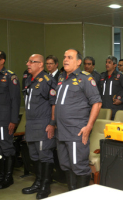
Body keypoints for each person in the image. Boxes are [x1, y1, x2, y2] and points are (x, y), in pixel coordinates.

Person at [55, 49, 102, 190]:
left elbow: (97, 103)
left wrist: (88, 126)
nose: (65, 60)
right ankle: (72, 193)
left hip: (76, 131)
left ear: (79, 62)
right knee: (65, 165)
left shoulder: (85, 78)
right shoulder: (62, 77)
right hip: (61, 131)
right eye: (64, 57)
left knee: (79, 166)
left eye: (70, 57)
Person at [22, 54, 57, 199]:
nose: (28, 64)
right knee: (34, 155)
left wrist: (52, 124)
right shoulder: (29, 80)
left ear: (41, 65)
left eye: (32, 62)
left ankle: (45, 185)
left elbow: (54, 103)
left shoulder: (47, 81)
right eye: (28, 61)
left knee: (44, 156)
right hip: (31, 123)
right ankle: (38, 181)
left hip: (43, 124)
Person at [0, 50, 21, 189]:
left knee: (6, 148)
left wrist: (13, 121)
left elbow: (15, 100)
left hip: (4, 120)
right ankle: (1, 176)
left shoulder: (10, 77)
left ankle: (8, 177)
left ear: (2, 61)